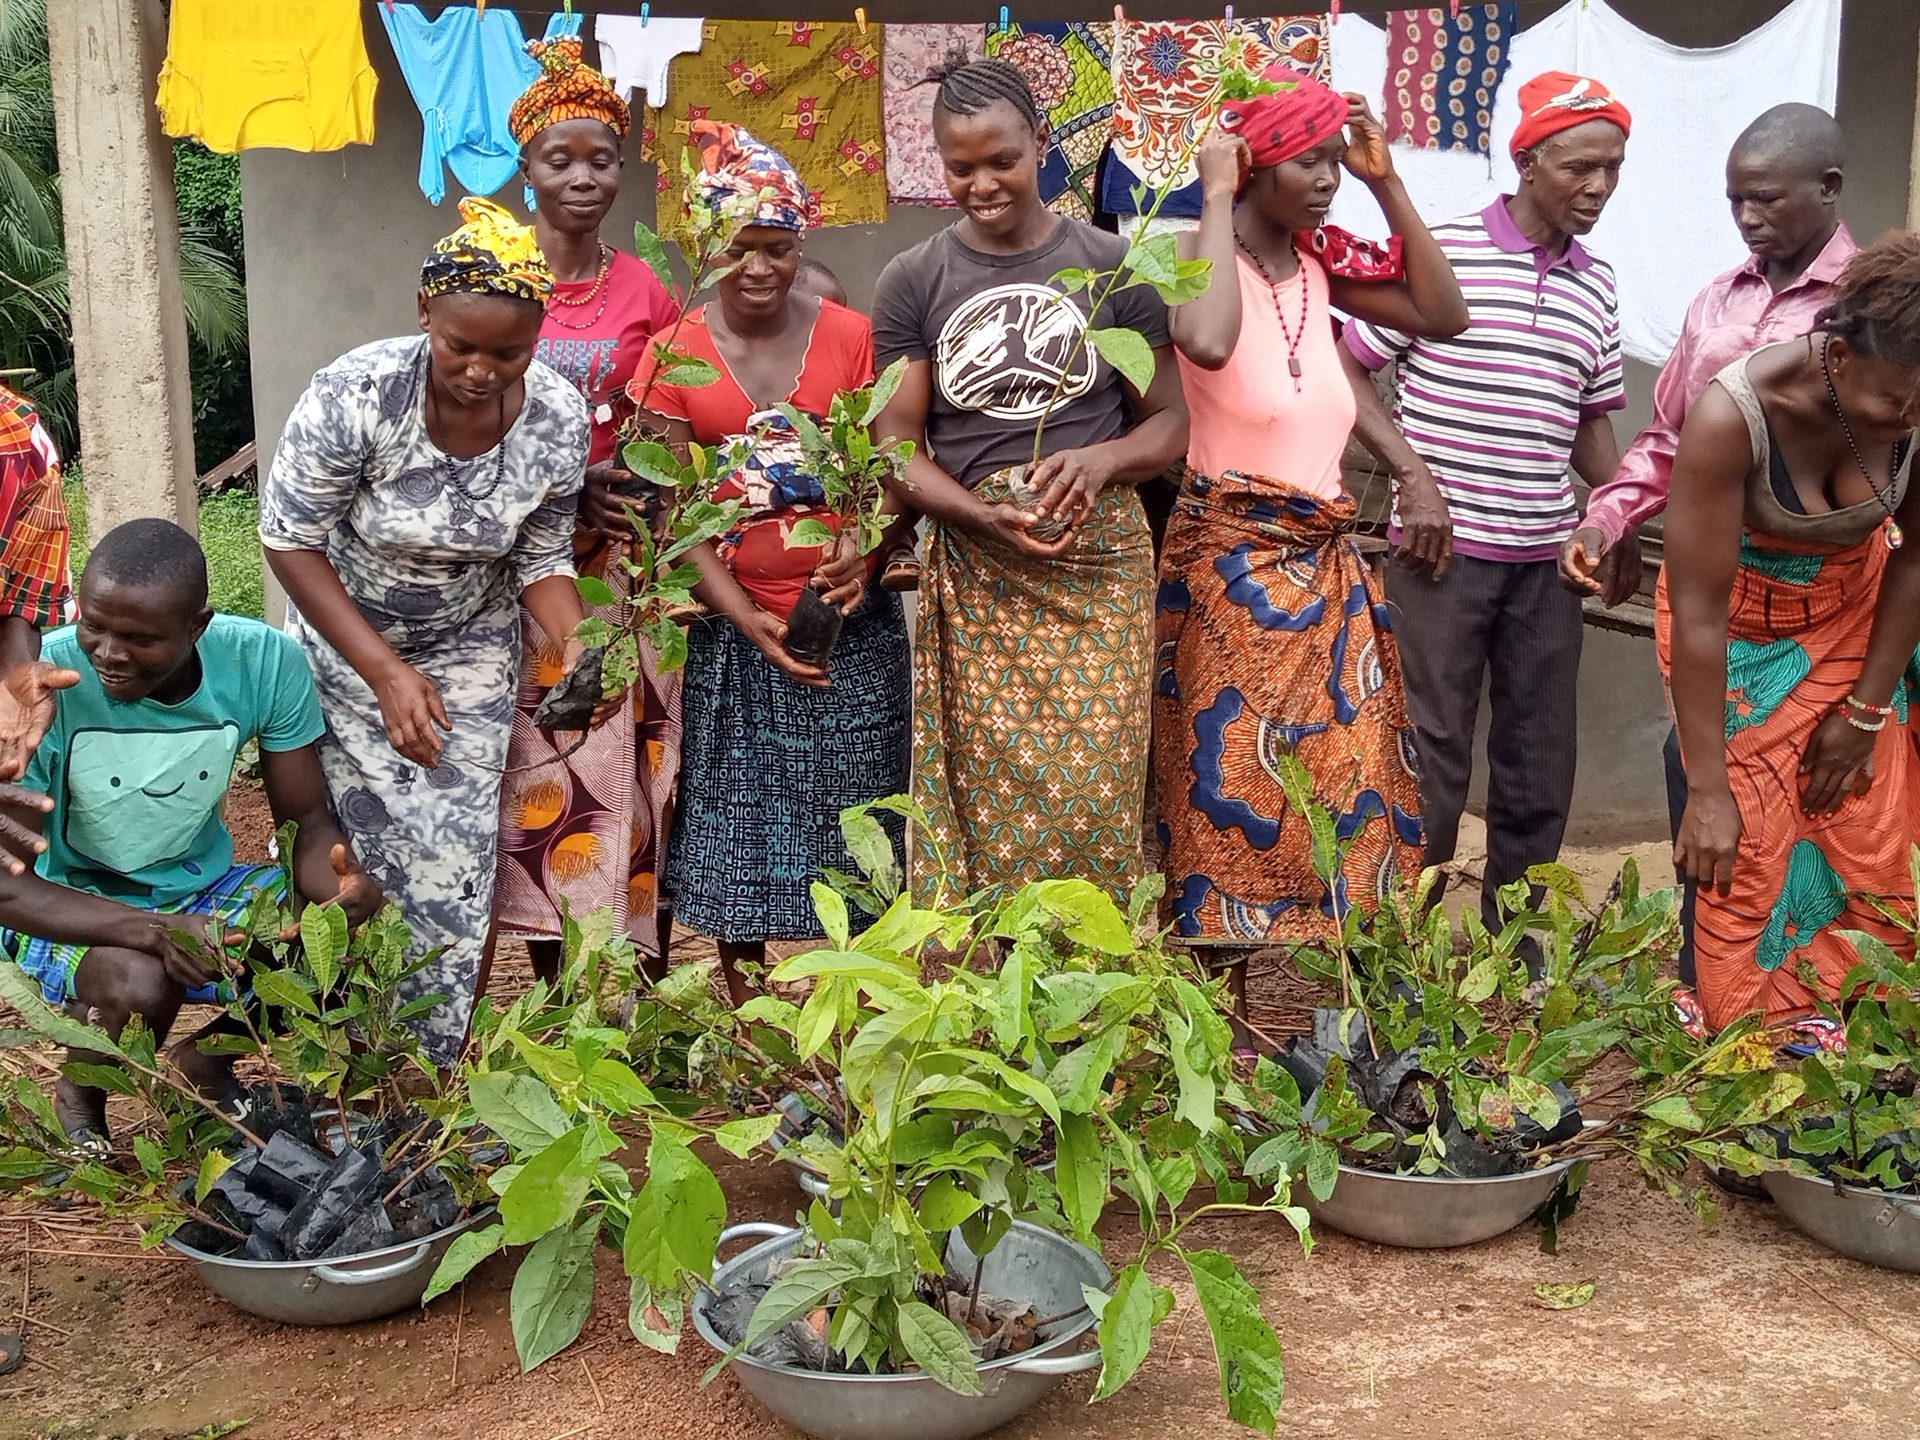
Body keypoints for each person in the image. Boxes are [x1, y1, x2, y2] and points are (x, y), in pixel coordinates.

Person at [260, 197, 597, 1063]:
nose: (483, 370)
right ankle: (329, 1059)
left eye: (508, 352)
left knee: (453, 864)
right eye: (462, 346)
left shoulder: (558, 417)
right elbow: (288, 537)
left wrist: (579, 644)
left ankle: (427, 1072)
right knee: (344, 853)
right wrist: (380, 671)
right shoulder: (357, 393)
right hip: (343, 638)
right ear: (424, 314)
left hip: (467, 642)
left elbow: (542, 557)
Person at [1156, 72, 1467, 996]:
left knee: (1347, 781)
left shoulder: (1321, 263)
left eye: (1336, 159)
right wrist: (1211, 193)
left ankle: (1343, 1016)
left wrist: (1390, 183)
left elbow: (1443, 314)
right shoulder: (1191, 254)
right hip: (1227, 568)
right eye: (1309, 160)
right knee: (1226, 794)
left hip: (1322, 563)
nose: (1327, 177)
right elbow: (1208, 343)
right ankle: (1222, 1020)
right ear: (1252, 166)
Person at [871, 59, 1188, 901]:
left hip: (1097, 561)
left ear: (1044, 144)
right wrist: (977, 512)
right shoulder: (914, 279)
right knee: (983, 783)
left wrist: (1102, 459)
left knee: (1097, 781)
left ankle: (1088, 980)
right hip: (980, 565)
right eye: (959, 166)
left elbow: (1168, 423)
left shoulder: (1114, 266)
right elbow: (896, 444)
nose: (982, 183)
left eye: (1001, 160)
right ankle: (994, 980)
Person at [1558, 103, 1854, 987]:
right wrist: (1606, 517)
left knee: (1821, 805)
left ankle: (1818, 1008)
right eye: (1734, 202)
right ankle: (1713, 988)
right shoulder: (1719, 299)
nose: (1748, 218)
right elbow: (1666, 439)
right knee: (1701, 783)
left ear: (1828, 189)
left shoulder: (1872, 305)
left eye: (1764, 198)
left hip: (1827, 601)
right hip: (1715, 596)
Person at [1343, 71, 1631, 954]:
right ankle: (1405, 947)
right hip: (1440, 558)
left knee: (1539, 760)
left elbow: (1589, 424)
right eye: (1580, 166)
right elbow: (1347, 369)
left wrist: (1615, 514)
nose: (1598, 187)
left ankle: (1517, 948)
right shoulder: (1447, 252)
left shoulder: (1599, 285)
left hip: (1545, 563)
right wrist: (1412, 478)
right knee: (1429, 757)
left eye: (1614, 169)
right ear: (1528, 160)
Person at [636, 122, 911, 1007]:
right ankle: (747, 1003)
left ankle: (864, 999)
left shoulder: (852, 336)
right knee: (738, 820)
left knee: (858, 816)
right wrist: (739, 615)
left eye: (779, 249)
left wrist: (859, 555)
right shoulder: (670, 352)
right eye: (741, 249)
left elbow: (885, 465)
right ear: (711, 247)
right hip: (734, 620)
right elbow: (675, 509)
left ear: (802, 246)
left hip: (847, 619)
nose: (759, 269)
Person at [0, 520, 381, 1145]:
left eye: (140, 638)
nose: (108, 654)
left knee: (332, 937)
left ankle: (207, 1060)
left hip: (200, 888)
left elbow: (307, 827)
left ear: (197, 626)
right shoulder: (43, 688)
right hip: (67, 901)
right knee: (140, 978)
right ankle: (83, 1097)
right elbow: (9, 889)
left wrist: (339, 894)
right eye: (94, 626)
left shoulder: (260, 661)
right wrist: (152, 930)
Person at [1662, 233, 1920, 1032]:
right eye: (1894, 406)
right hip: (1737, 640)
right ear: (1837, 357)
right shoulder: (1731, 418)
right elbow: (1699, 615)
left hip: (1857, 615)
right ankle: (1743, 1039)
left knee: (1870, 830)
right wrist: (1706, 790)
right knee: (1745, 844)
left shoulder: (1915, 402)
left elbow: (1915, 562)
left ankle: (1853, 1027)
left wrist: (1865, 711)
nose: (1908, 420)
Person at [495, 36, 683, 984]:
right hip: (522, 565)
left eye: (601, 159)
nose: (582, 177)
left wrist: (643, 487)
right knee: (537, 764)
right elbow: (462, 403)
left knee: (632, 757)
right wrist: (563, 490)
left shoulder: (647, 287)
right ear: (525, 168)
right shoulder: (496, 272)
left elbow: (670, 413)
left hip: (622, 560)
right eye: (558, 159)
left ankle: (643, 985)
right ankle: (550, 980)